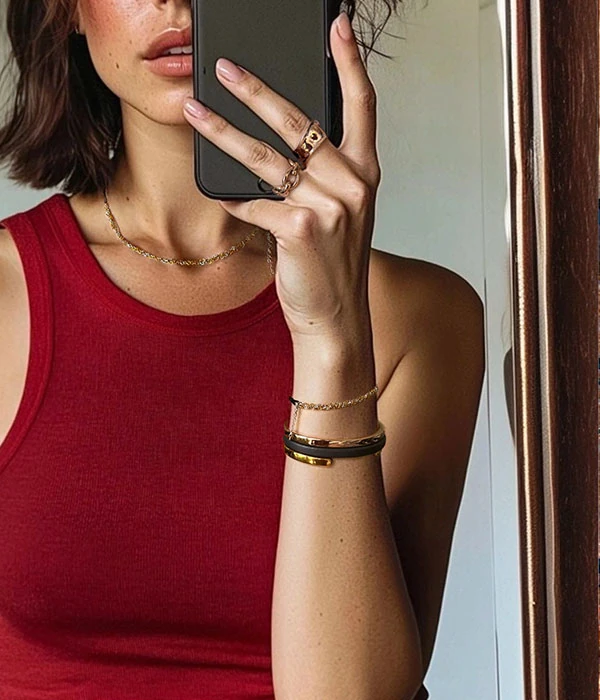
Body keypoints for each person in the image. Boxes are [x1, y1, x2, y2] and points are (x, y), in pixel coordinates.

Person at [0, 1, 485, 698]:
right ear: (66, 10)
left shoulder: (423, 319)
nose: (175, 2)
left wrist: (331, 339)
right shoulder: (9, 294)